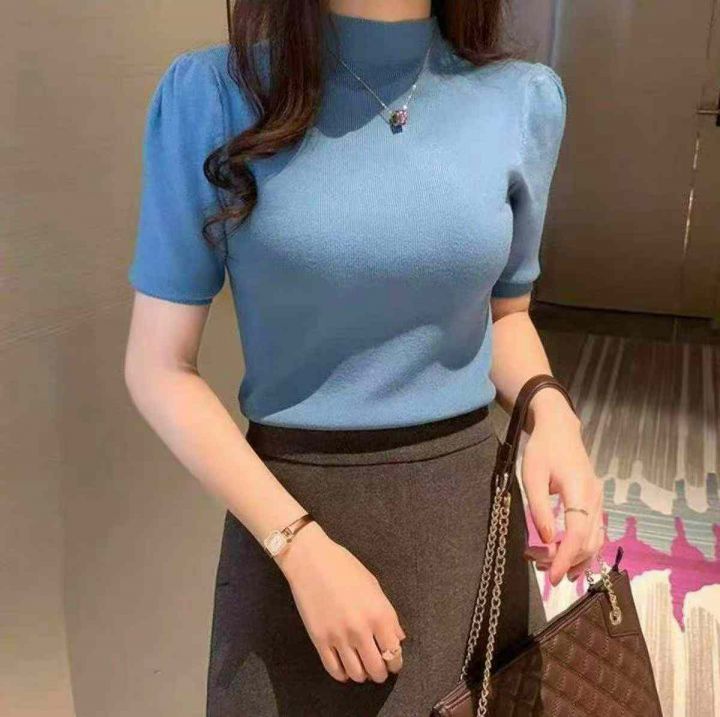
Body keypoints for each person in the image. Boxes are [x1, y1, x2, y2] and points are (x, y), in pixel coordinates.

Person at [124, 1, 605, 715]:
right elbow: (158, 367)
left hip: (466, 519)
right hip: (291, 518)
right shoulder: (214, 96)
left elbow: (505, 315)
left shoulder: (520, 99)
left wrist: (552, 415)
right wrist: (298, 547)